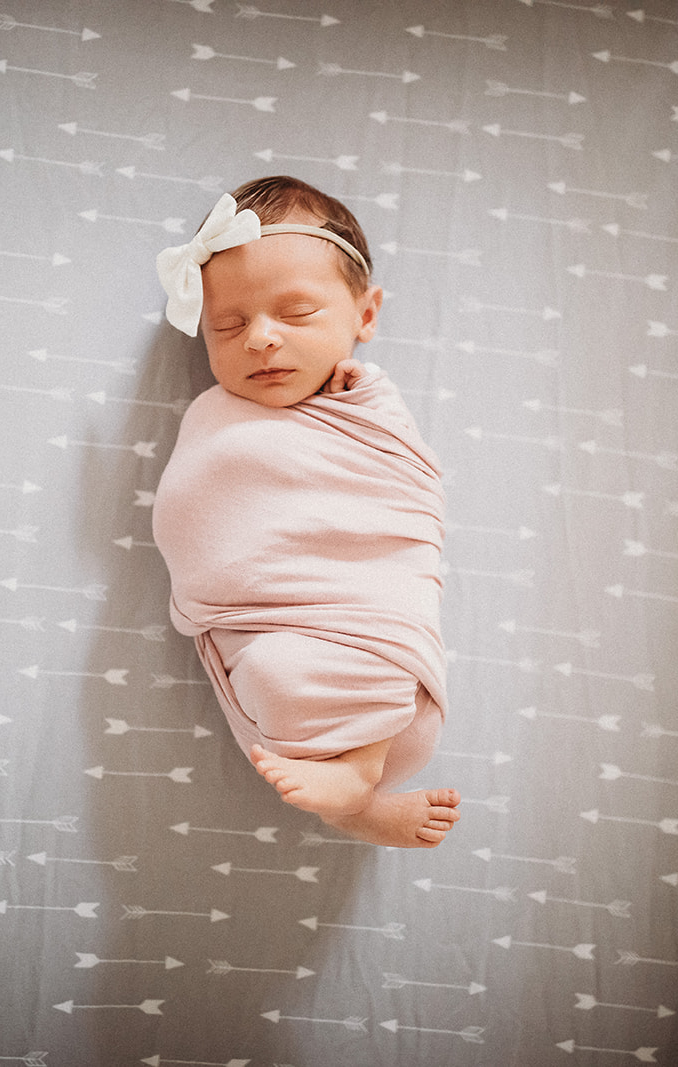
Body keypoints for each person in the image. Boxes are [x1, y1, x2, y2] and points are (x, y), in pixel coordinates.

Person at [151, 176, 460, 849]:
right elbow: (197, 509)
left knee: (358, 667)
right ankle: (355, 804)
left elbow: (400, 512)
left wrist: (366, 399)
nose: (259, 338)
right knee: (275, 675)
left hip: (384, 667)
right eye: (228, 325)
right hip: (275, 674)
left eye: (294, 314)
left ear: (365, 315)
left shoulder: (372, 410)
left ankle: (360, 775)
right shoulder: (213, 416)